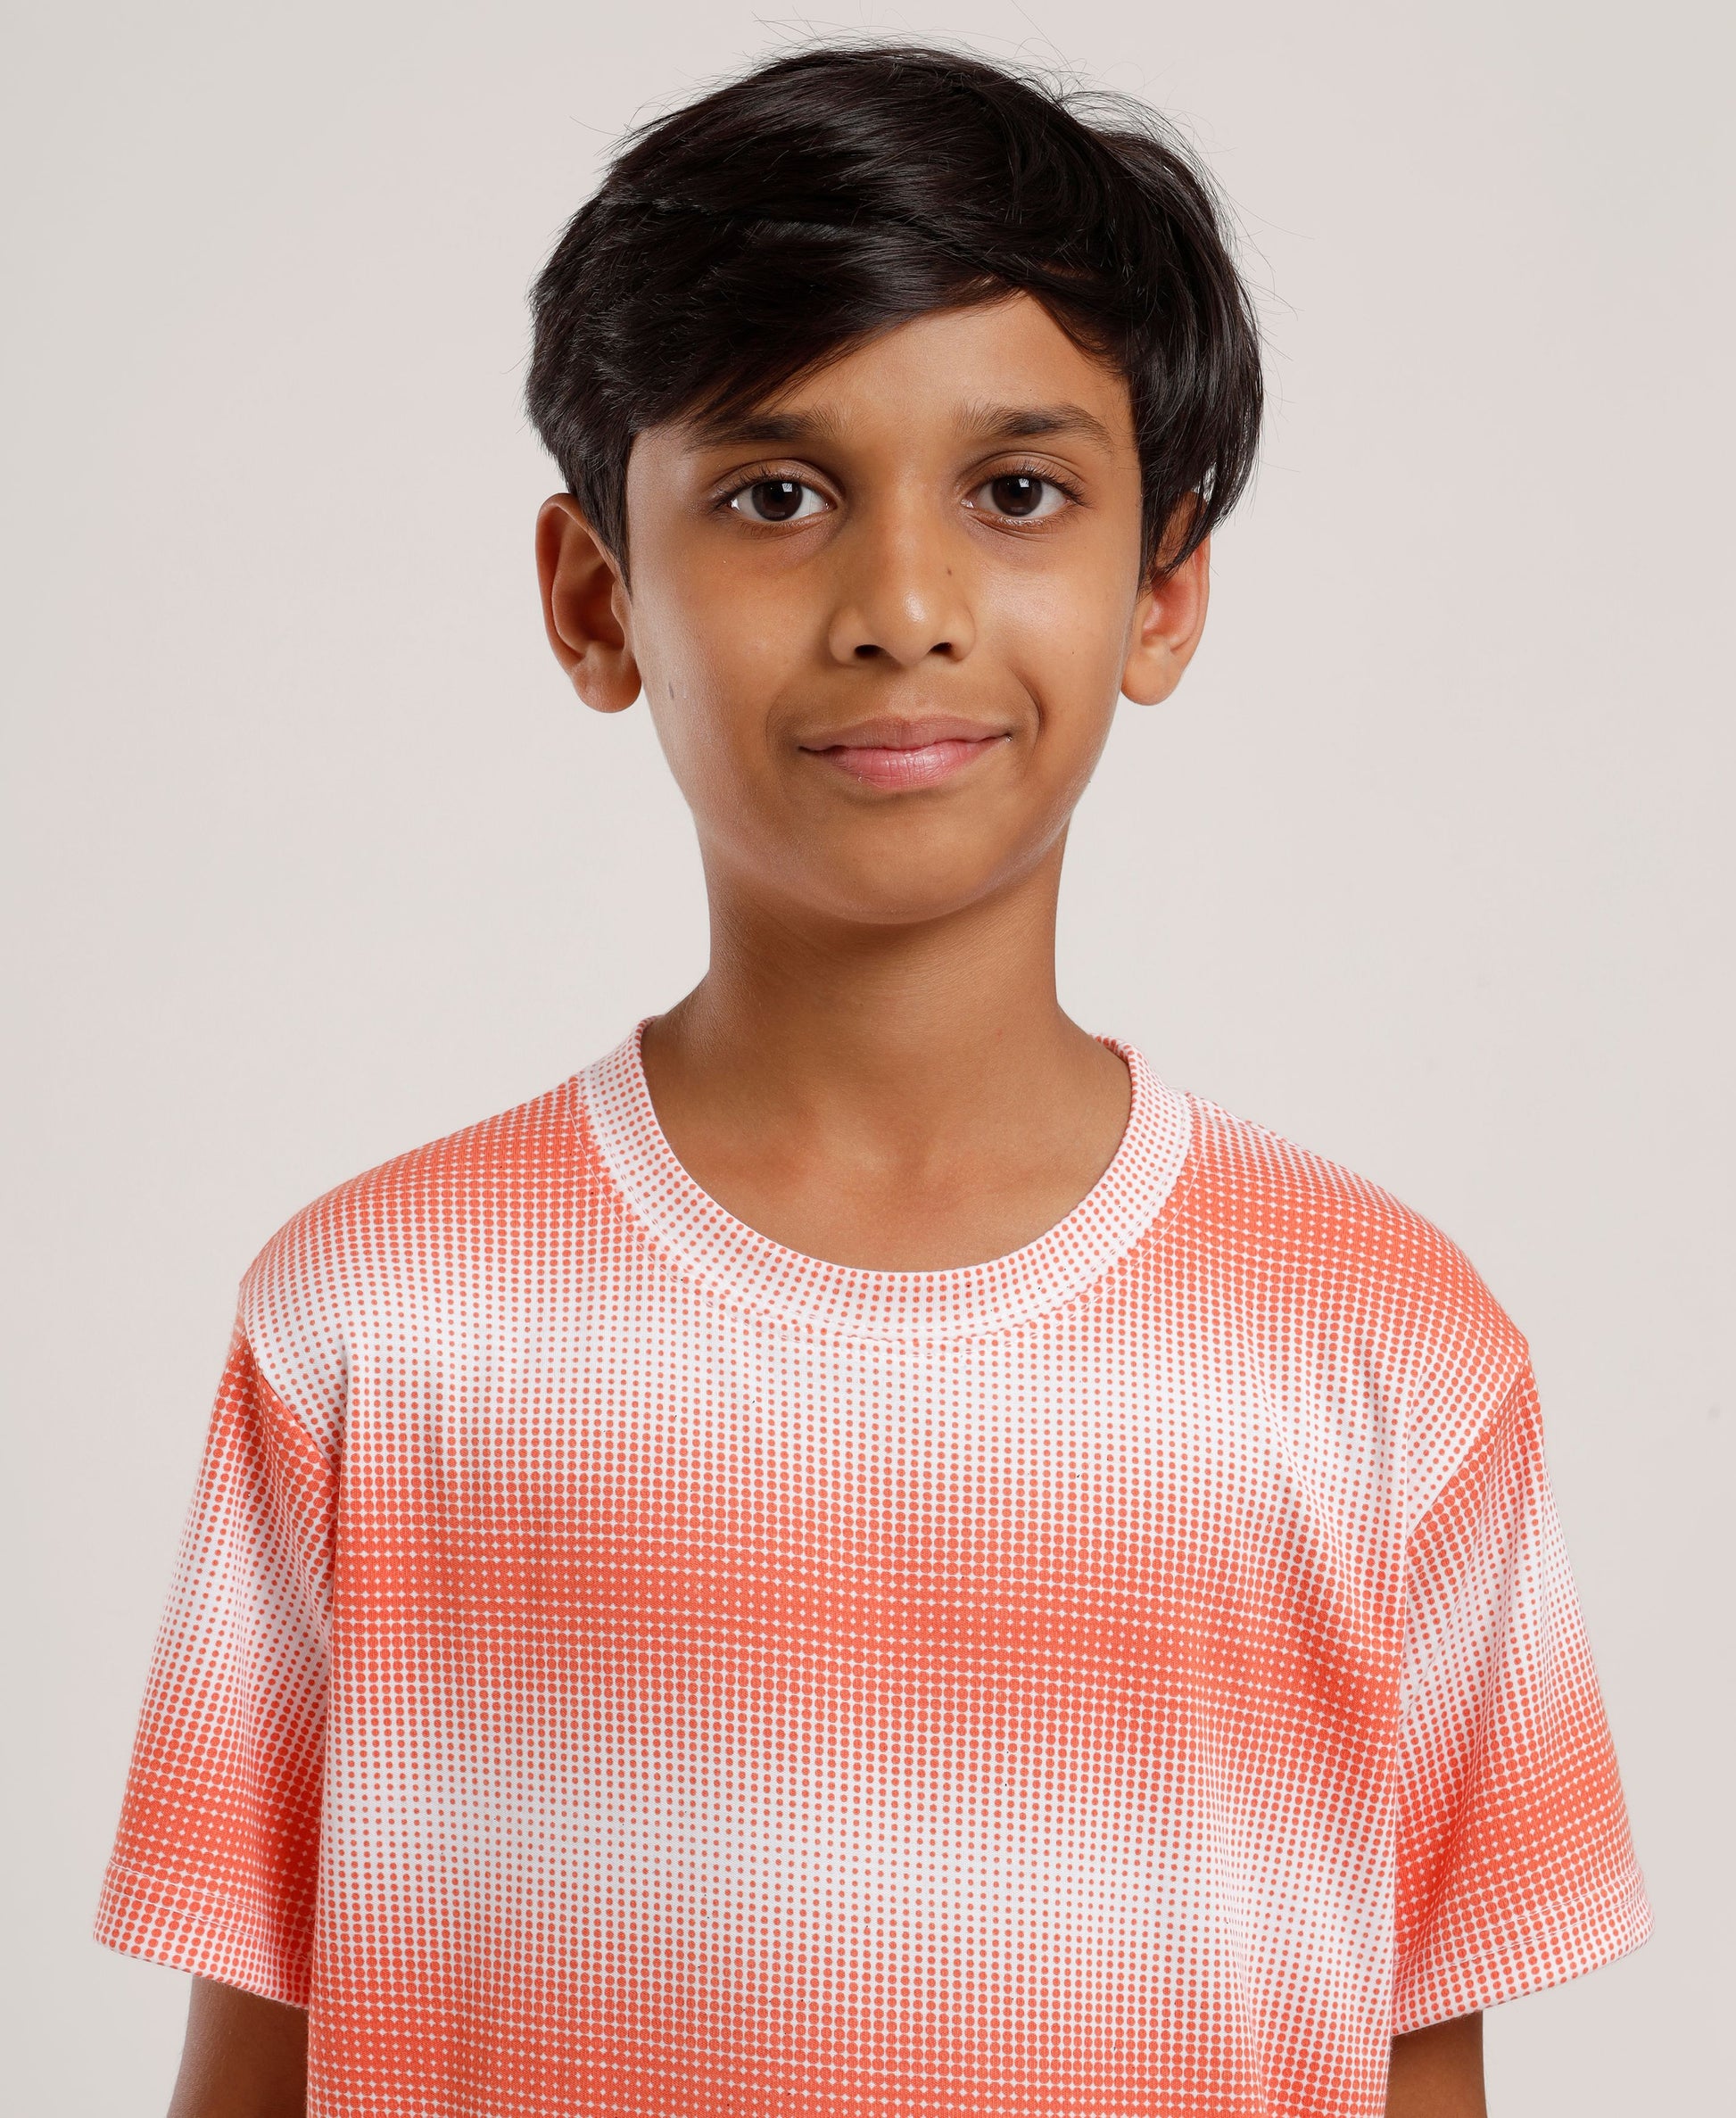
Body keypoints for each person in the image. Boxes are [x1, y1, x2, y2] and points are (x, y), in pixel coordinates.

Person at [96, 43, 1649, 2118]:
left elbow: (1414, 2072)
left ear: (1163, 586)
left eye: (1015, 493)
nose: (900, 608)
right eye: (776, 495)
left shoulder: (1385, 1353)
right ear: (593, 596)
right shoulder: (374, 1327)